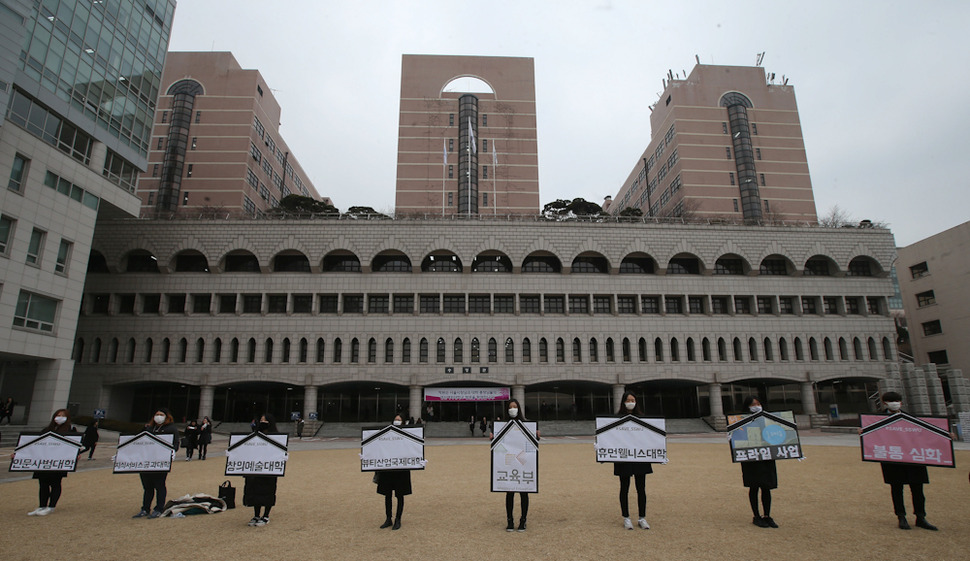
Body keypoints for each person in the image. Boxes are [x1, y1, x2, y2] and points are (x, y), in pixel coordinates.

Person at [877, 391, 938, 531]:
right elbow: (872, 437)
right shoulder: (876, 419)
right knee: (897, 488)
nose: (894, 403)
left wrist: (946, 435)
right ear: (884, 403)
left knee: (917, 488)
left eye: (897, 400)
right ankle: (901, 516)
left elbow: (926, 434)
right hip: (893, 458)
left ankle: (920, 516)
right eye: (891, 401)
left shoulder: (910, 418)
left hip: (913, 457)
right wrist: (863, 432)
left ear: (901, 402)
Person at [491, 399, 538, 532]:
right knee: (509, 492)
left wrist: (537, 436)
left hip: (523, 461)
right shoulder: (503, 425)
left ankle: (523, 520)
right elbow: (499, 445)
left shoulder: (526, 424)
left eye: (515, 407)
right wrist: (493, 438)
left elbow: (532, 442)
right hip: (509, 461)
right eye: (510, 407)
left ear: (519, 408)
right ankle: (510, 521)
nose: (513, 409)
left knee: (524, 491)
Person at [26, 409, 77, 516]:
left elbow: (74, 445)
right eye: (58, 415)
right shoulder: (47, 429)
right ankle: (42, 505)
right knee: (43, 484)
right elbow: (35, 444)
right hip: (44, 461)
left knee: (55, 483)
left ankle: (51, 506)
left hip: (58, 461)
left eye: (62, 416)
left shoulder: (70, 431)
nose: (59, 417)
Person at [739, 396, 778, 528]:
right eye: (753, 404)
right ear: (747, 406)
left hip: (766, 456)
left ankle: (767, 515)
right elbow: (738, 437)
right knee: (754, 486)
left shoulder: (768, 419)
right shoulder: (742, 420)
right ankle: (756, 516)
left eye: (758, 403)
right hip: (751, 458)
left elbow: (778, 434)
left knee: (766, 486)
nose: (757, 406)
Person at [614, 392, 651, 530]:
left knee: (641, 488)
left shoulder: (642, 418)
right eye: (628, 400)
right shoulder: (617, 419)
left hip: (640, 457)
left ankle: (642, 517)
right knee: (624, 488)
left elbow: (650, 437)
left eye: (633, 400)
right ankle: (626, 517)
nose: (631, 402)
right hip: (623, 458)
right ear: (623, 402)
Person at [133, 408, 179, 519]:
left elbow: (175, 443)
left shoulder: (171, 429)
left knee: (159, 485)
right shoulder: (149, 428)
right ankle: (145, 508)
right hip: (146, 461)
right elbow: (137, 441)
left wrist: (172, 451)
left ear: (167, 416)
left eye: (161, 414)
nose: (158, 416)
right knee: (147, 487)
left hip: (160, 462)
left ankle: (159, 508)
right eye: (157, 414)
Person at [376, 414, 412, 530]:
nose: (397, 421)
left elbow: (412, 449)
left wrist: (419, 460)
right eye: (395, 419)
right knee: (387, 494)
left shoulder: (408, 434)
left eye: (399, 420)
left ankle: (398, 519)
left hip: (401, 470)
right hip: (388, 469)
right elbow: (378, 447)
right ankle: (388, 518)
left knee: (400, 495)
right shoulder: (387, 433)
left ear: (403, 421)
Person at [244, 413, 280, 526]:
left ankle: (266, 515)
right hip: (256, 468)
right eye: (261, 420)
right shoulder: (255, 435)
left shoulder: (275, 436)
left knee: (268, 491)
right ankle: (256, 515)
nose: (262, 422)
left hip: (269, 468)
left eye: (264, 421)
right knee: (255, 491)